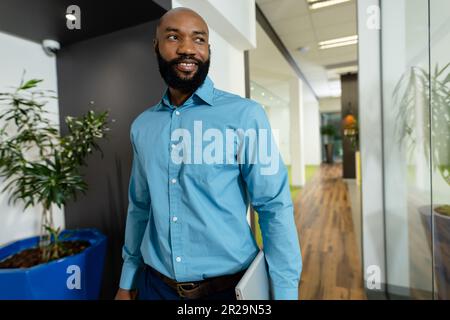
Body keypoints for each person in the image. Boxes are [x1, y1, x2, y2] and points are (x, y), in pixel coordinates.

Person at [115, 7, 302, 300]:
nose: (187, 48)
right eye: (174, 37)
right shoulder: (142, 126)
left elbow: (273, 208)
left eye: (198, 40)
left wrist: (286, 294)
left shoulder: (246, 115)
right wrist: (128, 281)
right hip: (155, 288)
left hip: (229, 291)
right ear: (156, 46)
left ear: (208, 49)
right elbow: (140, 206)